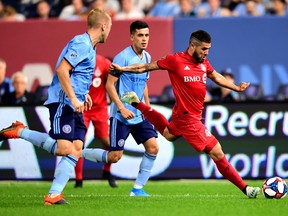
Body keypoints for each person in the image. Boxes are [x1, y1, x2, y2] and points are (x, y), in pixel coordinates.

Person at [110, 29, 261, 198]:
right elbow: (145, 67)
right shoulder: (175, 60)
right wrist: (122, 69)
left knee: (168, 134)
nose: (206, 53)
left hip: (187, 116)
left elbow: (216, 77)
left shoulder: (204, 63)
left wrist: (236, 88)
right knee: (217, 153)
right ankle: (246, 189)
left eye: (208, 49)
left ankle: (137, 103)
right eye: (203, 49)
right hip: (188, 119)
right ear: (192, 45)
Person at [0, 8, 112, 205]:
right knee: (64, 148)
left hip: (74, 103)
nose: (110, 30)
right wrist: (74, 98)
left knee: (76, 147)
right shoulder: (82, 43)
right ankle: (19, 131)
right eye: (110, 26)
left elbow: (77, 75)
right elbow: (62, 70)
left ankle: (53, 195)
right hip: (63, 102)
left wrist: (82, 95)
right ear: (103, 26)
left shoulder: (90, 47)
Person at [105, 20, 159, 196]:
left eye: (147, 35)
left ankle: (137, 189)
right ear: (131, 37)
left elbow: (144, 84)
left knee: (153, 148)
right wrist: (121, 108)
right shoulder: (122, 57)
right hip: (121, 115)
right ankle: (79, 153)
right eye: (140, 35)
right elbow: (110, 85)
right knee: (115, 157)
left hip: (139, 113)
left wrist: (148, 108)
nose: (144, 39)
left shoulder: (148, 58)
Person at [74, 54, 118, 188]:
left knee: (108, 142)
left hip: (100, 109)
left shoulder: (103, 63)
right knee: (79, 144)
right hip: (83, 108)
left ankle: (107, 171)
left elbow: (110, 83)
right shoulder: (78, 61)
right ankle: (79, 179)